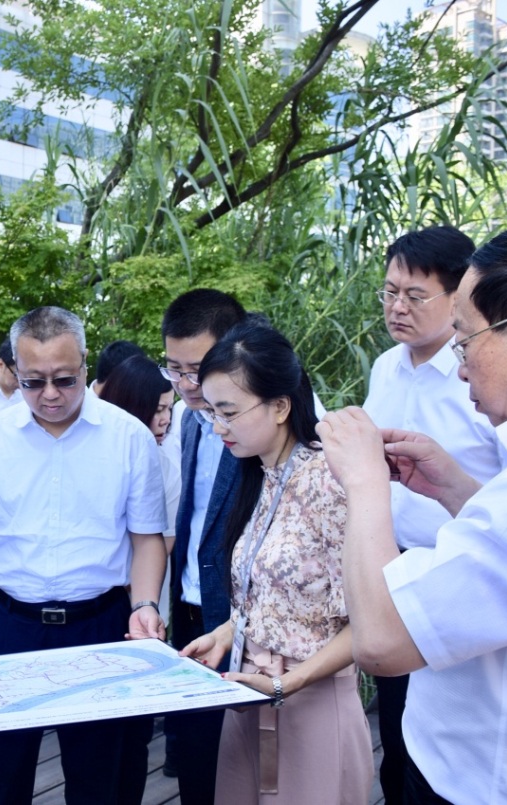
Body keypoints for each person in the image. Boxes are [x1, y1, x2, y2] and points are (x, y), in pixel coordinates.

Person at [318, 223, 507, 804]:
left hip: (491, 784)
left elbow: (382, 642)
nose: (463, 366)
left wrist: (365, 481)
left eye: (466, 340)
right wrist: (456, 488)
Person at [0, 306, 168, 805]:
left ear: (85, 363)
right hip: (10, 625)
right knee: (2, 776)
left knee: (97, 778)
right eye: (33, 382)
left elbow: (146, 538)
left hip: (99, 624)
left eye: (64, 380)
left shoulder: (129, 437)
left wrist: (145, 606)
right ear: (13, 369)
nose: (49, 394)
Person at [181, 318, 372, 804]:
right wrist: (226, 633)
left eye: (229, 412)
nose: (218, 427)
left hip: (310, 701)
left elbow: (368, 621)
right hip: (251, 692)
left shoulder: (329, 480)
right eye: (212, 412)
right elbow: (274, 591)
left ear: (281, 406)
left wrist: (288, 683)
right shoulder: (259, 476)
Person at [361, 225, 504, 804]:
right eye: (390, 292)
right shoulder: (384, 368)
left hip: (461, 573)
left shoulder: (486, 377)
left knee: (453, 732)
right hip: (392, 570)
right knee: (397, 729)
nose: (397, 307)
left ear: (458, 296)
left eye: (415, 296)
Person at [157, 287, 246, 803]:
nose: (187, 384)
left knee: (240, 767)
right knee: (194, 757)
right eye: (175, 369)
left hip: (244, 622)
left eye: (197, 369)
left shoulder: (273, 417)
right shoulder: (188, 417)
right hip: (191, 611)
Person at [97, 352, 179, 805]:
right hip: (99, 605)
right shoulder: (101, 449)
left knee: (133, 733)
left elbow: (162, 541)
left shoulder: (164, 463)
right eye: (158, 408)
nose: (165, 419)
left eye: (170, 409)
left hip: (142, 607)